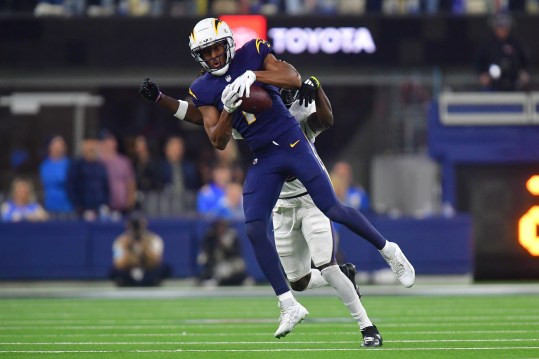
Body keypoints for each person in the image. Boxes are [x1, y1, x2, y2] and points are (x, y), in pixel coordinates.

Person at [139, 17, 414, 340]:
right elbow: (215, 136)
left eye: (216, 48)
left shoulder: (254, 54)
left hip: (292, 144)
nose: (213, 56)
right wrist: (225, 107)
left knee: (333, 208)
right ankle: (288, 304)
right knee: (254, 227)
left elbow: (293, 78)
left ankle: (389, 250)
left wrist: (251, 75)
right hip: (265, 157)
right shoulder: (203, 88)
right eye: (206, 51)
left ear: (228, 44)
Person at [475, 12, 530, 92]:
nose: (502, 29)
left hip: (514, 84)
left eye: (504, 27)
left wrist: (524, 73)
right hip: (492, 85)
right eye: (499, 26)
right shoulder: (487, 44)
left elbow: (526, 61)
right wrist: (482, 75)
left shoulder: (516, 42)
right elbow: (478, 62)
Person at [111, 212, 168, 287]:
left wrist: (145, 247)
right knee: (112, 271)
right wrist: (128, 247)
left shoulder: (154, 239)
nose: (137, 227)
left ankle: (148, 281)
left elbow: (156, 261)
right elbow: (118, 263)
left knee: (165, 268)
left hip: (148, 270)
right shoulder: (121, 240)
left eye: (140, 223)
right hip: (128, 271)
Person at [67, 135, 110, 221]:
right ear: (83, 146)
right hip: (82, 211)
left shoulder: (101, 166)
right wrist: (79, 207)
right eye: (88, 143)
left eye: (94, 143)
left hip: (100, 209)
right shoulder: (76, 165)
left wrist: (105, 204)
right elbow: (71, 187)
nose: (91, 147)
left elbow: (106, 187)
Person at [197, 218, 250, 286]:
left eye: (223, 226)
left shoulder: (232, 235)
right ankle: (210, 279)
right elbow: (207, 249)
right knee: (203, 259)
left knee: (237, 266)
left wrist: (225, 246)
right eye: (219, 226)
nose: (221, 228)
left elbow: (236, 253)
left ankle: (241, 280)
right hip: (215, 262)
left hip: (230, 262)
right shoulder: (211, 236)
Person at [98, 130, 137, 215]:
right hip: (102, 208)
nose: (108, 144)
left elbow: (131, 183)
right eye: (105, 141)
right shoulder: (97, 162)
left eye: (111, 141)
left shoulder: (124, 162)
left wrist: (130, 203)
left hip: (122, 207)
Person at [39, 135, 74, 218]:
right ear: (50, 147)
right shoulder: (44, 165)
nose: (57, 148)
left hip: (67, 208)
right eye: (55, 145)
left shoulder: (69, 165)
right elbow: (45, 182)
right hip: (49, 207)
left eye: (60, 145)